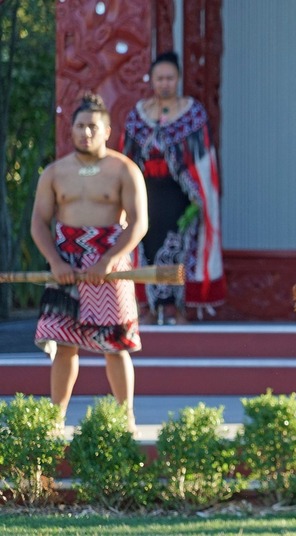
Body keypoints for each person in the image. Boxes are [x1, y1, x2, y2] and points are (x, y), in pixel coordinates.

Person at [31, 93, 148, 432]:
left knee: (116, 345)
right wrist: (54, 261)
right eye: (80, 126)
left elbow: (139, 223)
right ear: (72, 130)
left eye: (92, 127)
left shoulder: (124, 169)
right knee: (64, 344)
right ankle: (55, 420)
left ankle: (126, 419)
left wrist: (108, 261)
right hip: (65, 262)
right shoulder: (55, 172)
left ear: (107, 130)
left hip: (110, 265)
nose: (86, 133)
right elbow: (39, 222)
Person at [120, 50, 225, 325]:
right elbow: (126, 159)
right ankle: (148, 306)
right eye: (159, 78)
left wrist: (198, 198)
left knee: (179, 248)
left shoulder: (193, 114)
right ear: (152, 80)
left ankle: (176, 306)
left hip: (181, 196)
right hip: (147, 195)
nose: (164, 83)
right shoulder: (138, 116)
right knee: (147, 247)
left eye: (169, 78)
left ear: (177, 79)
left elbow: (204, 162)